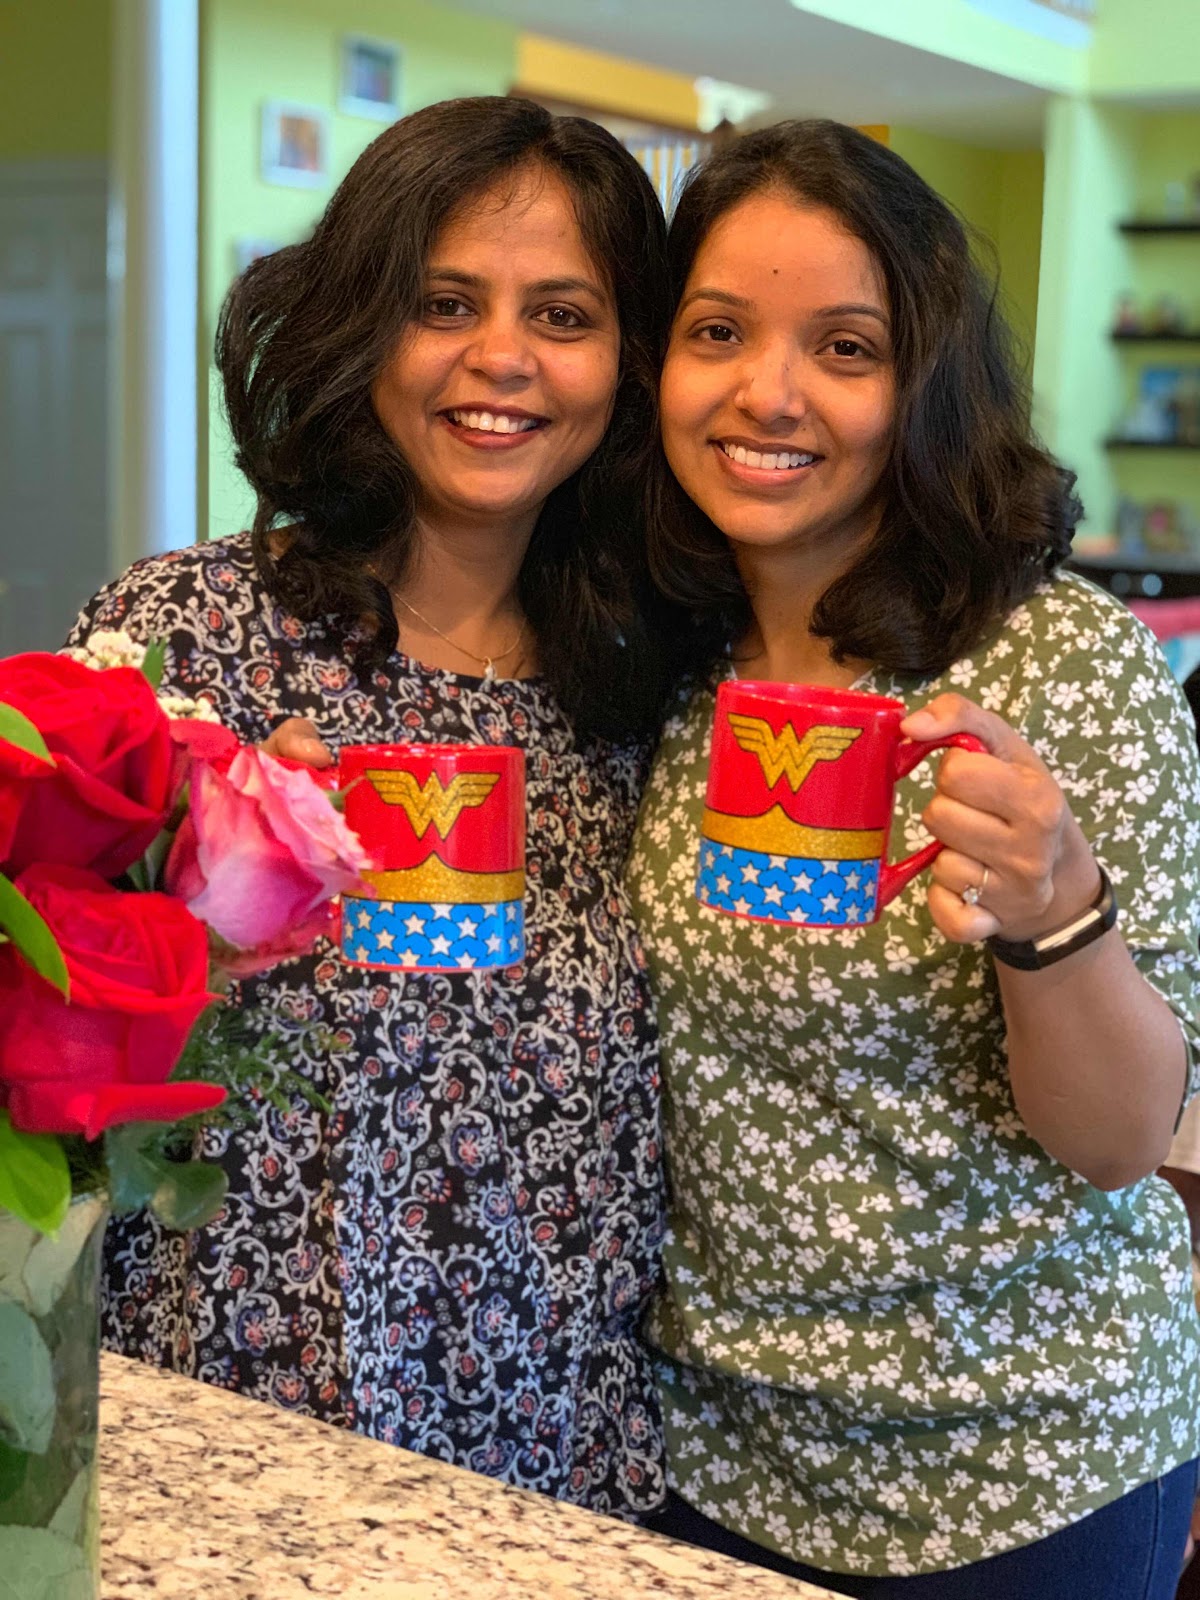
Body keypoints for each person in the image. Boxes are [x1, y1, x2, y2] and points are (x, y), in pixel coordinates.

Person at [68, 96, 672, 1518]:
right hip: (234, 1415)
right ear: (360, 328)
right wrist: (207, 909)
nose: (502, 357)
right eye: (443, 303)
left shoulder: (646, 682)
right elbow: (36, 1035)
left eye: (564, 315)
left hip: (557, 1441)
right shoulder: (184, 638)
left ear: (628, 364)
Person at [627, 119, 1200, 1595]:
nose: (768, 393)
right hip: (705, 1453)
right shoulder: (653, 657)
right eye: (717, 332)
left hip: (1018, 1466)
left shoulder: (1063, 664)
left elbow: (1122, 1141)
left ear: (926, 383)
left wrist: (1054, 913)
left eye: (846, 347)